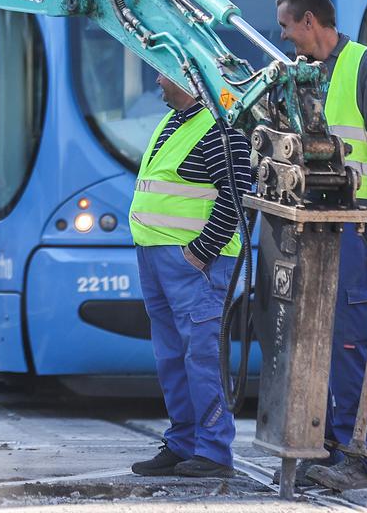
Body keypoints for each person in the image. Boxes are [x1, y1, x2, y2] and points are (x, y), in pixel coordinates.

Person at [275, 0, 367, 492]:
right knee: (322, 345)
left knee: (352, 343)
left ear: (311, 21)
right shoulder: (306, 76)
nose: (286, 39)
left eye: (288, 28)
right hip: (319, 225)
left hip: (359, 225)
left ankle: (359, 457)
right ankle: (331, 448)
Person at [128, 72, 251, 480]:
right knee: (171, 358)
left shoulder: (219, 126)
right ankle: (182, 443)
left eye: (165, 72)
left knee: (202, 357)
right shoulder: (175, 120)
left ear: (189, 76)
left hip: (197, 266)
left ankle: (214, 451)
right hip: (160, 261)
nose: (157, 80)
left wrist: (198, 254)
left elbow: (236, 196)